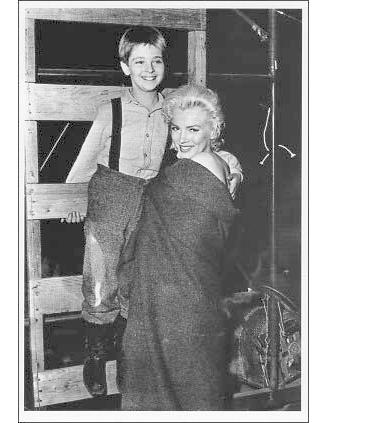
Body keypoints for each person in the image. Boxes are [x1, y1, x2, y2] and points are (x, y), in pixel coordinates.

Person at [62, 26, 171, 396]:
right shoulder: (110, 110)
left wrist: (231, 166)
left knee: (137, 278)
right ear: (125, 67)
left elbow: (201, 141)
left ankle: (127, 355)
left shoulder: (172, 110)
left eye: (156, 61)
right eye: (139, 62)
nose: (149, 69)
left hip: (151, 197)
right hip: (111, 194)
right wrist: (74, 201)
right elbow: (85, 161)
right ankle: (95, 353)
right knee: (100, 273)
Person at [118, 84, 241, 410]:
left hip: (178, 301)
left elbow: (188, 235)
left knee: (176, 382)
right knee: (194, 382)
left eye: (193, 129)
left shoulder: (187, 172)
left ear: (213, 130)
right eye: (176, 128)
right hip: (195, 297)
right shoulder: (218, 164)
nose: (182, 138)